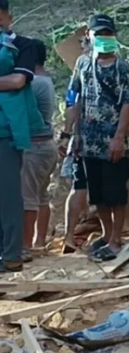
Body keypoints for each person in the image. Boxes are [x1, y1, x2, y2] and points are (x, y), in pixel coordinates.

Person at [70, 14, 129, 261]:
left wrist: (119, 136)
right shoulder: (83, 64)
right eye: (98, 34)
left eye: (107, 34)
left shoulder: (122, 67)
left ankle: (116, 237)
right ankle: (107, 234)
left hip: (113, 141)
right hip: (89, 141)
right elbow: (75, 99)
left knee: (116, 192)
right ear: (88, 35)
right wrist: (74, 134)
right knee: (97, 194)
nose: (103, 38)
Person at [0, 0, 41, 272]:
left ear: (7, 16)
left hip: (5, 131)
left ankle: (12, 255)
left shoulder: (23, 46)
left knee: (8, 194)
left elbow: (17, 80)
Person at [21, 39, 59, 253]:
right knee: (40, 196)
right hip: (46, 146)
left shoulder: (33, 83)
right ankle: (39, 242)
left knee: (27, 197)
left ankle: (25, 246)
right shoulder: (45, 80)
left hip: (34, 148)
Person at [58, 85, 90, 254]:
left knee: (79, 185)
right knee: (81, 185)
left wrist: (66, 135)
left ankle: (69, 235)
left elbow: (71, 106)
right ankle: (113, 234)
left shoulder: (80, 72)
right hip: (100, 139)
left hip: (81, 140)